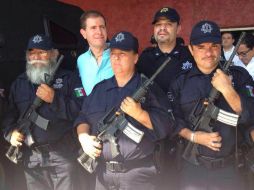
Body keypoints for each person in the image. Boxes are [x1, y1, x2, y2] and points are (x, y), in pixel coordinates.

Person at [75, 31, 173, 190]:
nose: (116, 58)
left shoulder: (149, 89)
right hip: (102, 175)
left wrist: (140, 115)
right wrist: (84, 138)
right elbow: (82, 118)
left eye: (122, 54)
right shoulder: (100, 89)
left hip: (138, 176)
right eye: (113, 54)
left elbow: (167, 127)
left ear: (135, 58)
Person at [169, 20, 254, 190]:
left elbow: (251, 116)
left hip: (231, 169)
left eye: (214, 46)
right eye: (201, 47)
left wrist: (228, 90)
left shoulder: (238, 76)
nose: (208, 53)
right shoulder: (181, 82)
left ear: (221, 47)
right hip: (192, 169)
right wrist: (193, 136)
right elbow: (171, 119)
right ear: (191, 50)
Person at [2, 34, 84, 190]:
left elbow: (82, 112)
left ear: (53, 54)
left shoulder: (69, 79)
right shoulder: (18, 84)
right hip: (32, 159)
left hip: (63, 156)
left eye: (42, 52)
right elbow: (9, 115)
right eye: (32, 53)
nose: (36, 57)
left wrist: (55, 99)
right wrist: (10, 134)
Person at [136, 7, 194, 93]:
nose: (162, 28)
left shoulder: (190, 55)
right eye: (158, 24)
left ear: (178, 29)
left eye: (168, 24)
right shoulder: (145, 58)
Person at [77, 10, 114, 95]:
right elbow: (79, 90)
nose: (99, 32)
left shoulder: (119, 54)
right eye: (93, 28)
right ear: (83, 33)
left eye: (102, 27)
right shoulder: (81, 60)